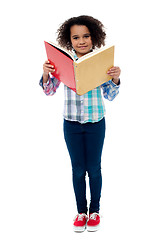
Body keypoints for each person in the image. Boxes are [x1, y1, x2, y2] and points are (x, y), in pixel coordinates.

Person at [39, 15, 121, 232]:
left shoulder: (100, 61)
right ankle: (80, 212)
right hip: (72, 125)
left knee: (94, 168)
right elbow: (49, 91)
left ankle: (95, 211)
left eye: (86, 36)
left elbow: (111, 95)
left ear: (94, 37)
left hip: (96, 124)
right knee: (77, 170)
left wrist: (114, 78)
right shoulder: (62, 62)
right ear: (69, 40)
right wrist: (46, 74)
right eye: (76, 37)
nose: (81, 41)